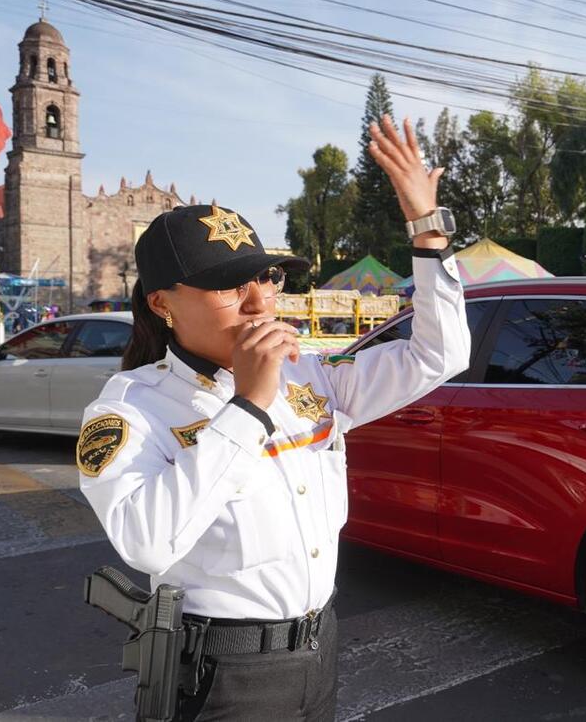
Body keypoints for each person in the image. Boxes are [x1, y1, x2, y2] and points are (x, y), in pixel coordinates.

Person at [76, 114, 469, 722]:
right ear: (162, 303)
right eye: (230, 286)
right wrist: (247, 407)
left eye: (265, 275)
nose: (261, 300)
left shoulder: (310, 373)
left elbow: (438, 355)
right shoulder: (130, 407)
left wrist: (427, 231)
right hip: (224, 670)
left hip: (318, 645)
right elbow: (147, 542)